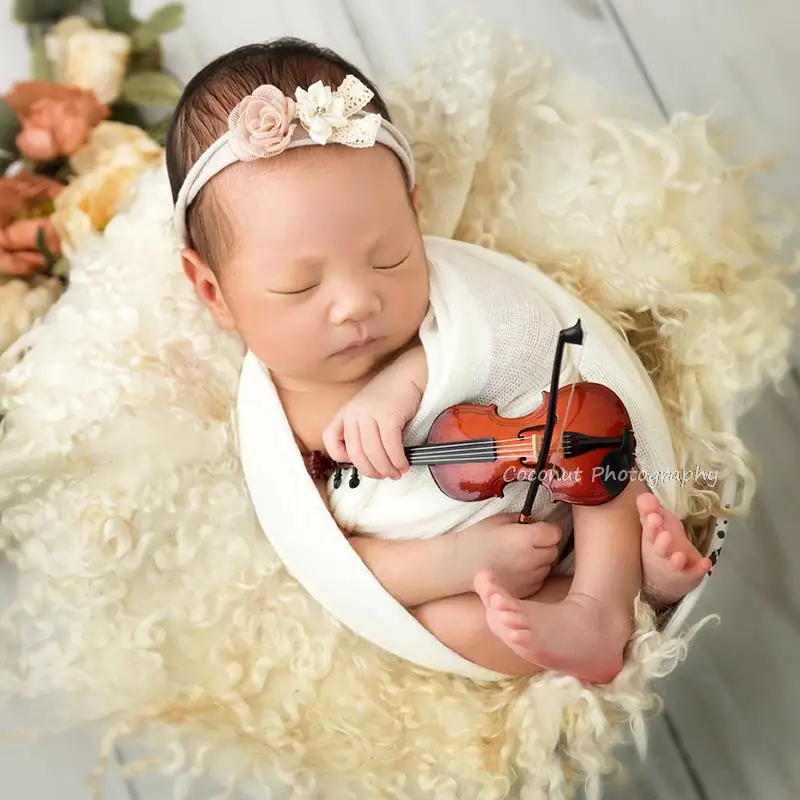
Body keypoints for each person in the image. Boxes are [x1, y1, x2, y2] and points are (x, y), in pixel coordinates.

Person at [166, 37, 712, 684]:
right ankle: (605, 606)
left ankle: (610, 592)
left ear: (414, 215)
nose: (356, 302)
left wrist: (411, 375)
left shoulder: (446, 303)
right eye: (300, 287)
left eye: (390, 256)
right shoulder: (275, 427)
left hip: (567, 481)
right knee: (451, 623)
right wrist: (456, 561)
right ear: (213, 291)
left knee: (592, 428)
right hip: (484, 570)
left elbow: (528, 332)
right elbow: (332, 559)